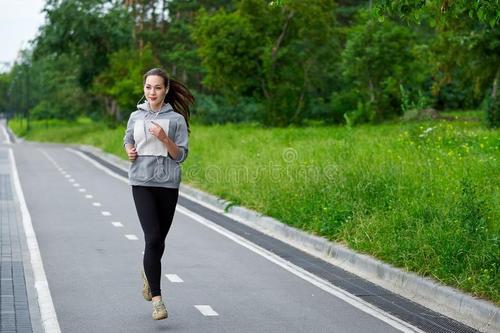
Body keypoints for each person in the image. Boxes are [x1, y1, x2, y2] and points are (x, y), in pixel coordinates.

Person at [123, 68, 194, 320]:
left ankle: (147, 271)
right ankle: (157, 300)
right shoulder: (135, 116)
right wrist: (130, 150)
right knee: (152, 238)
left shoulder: (175, 120)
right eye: (148, 87)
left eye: (157, 88)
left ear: (165, 90)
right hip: (141, 181)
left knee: (158, 242)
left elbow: (181, 155)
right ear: (144, 89)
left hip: (167, 184)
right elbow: (128, 140)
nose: (152, 92)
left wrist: (165, 138)